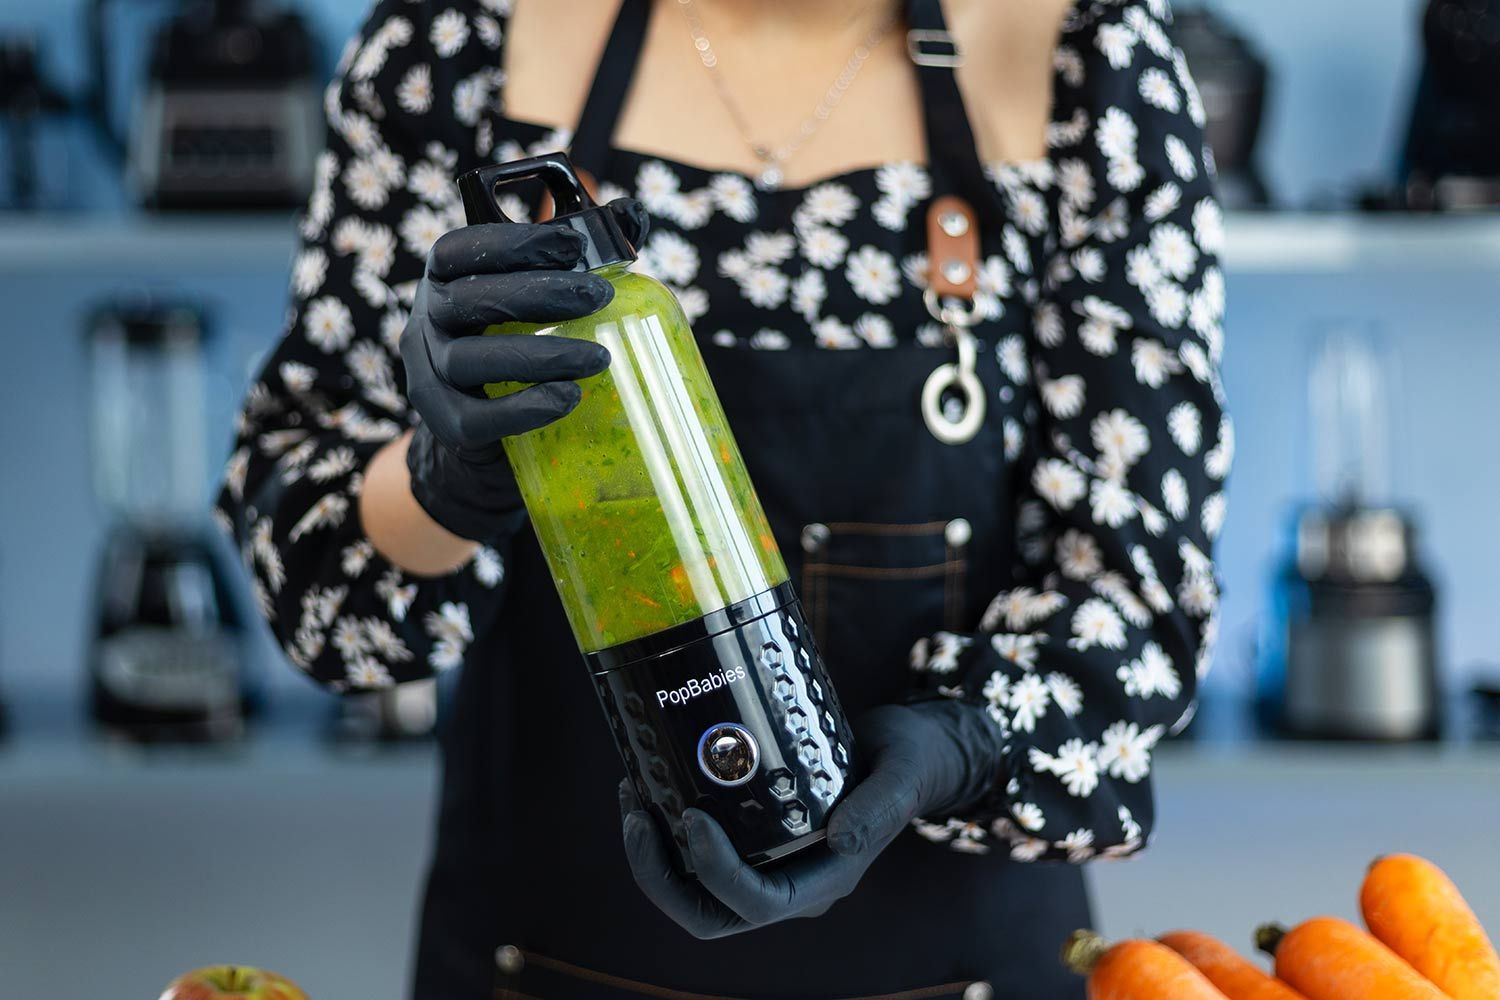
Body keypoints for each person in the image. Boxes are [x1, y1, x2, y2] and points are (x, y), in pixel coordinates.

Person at [217, 0, 1230, 995]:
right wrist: (442, 485)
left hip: (962, 959)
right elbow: (316, 594)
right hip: (540, 959)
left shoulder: (1088, 66)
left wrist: (963, 741)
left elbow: (1135, 595)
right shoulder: (453, 53)